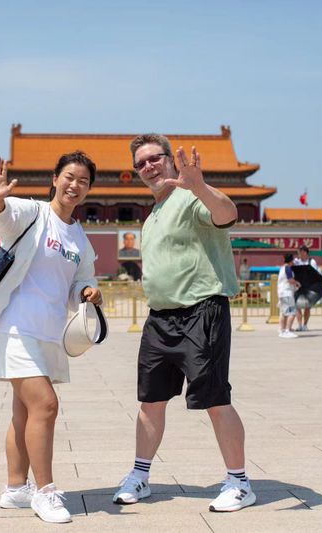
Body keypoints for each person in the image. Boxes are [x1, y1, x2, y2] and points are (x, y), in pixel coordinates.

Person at [112, 134, 255, 513]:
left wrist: (200, 185)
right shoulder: (153, 213)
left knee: (214, 399)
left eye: (155, 158)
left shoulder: (192, 197)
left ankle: (239, 482)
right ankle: (141, 475)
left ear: (170, 160)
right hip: (160, 318)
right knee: (150, 402)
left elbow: (227, 215)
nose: (149, 167)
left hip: (201, 312)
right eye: (140, 163)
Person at [0, 151, 102, 524]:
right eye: (69, 176)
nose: (74, 185)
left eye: (83, 180)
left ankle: (16, 489)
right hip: (15, 327)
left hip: (49, 333)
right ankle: (45, 492)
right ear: (55, 178)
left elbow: (82, 278)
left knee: (24, 412)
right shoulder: (32, 214)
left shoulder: (79, 236)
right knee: (45, 405)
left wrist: (88, 291)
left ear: (89, 189)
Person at [293, 245, 318, 331]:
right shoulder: (296, 261)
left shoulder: (312, 262)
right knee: (297, 306)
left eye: (300, 252)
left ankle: (305, 325)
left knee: (307, 307)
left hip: (308, 287)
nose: (299, 254)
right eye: (298, 252)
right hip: (298, 287)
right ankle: (299, 325)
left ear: (305, 252)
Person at [277, 253, 300, 338]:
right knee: (292, 313)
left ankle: (282, 330)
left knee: (283, 313)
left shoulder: (282, 268)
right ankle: (287, 330)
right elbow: (290, 280)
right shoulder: (288, 268)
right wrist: (297, 283)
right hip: (287, 293)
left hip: (281, 293)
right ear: (291, 260)